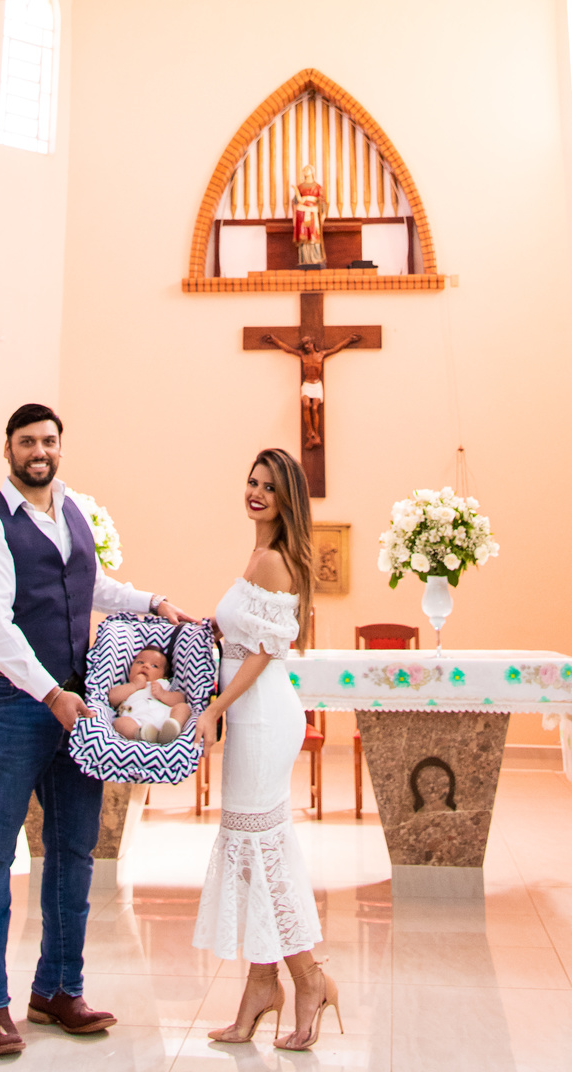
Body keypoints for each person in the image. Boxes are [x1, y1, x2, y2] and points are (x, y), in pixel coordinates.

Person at [0, 402, 195, 1057]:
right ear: (8, 448)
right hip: (9, 703)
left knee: (73, 851)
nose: (40, 450)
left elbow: (89, 587)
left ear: (61, 448)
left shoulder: (72, 512)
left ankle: (58, 989)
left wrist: (150, 602)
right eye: (28, 441)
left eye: (50, 440)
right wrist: (50, 694)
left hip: (74, 709)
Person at [191, 448, 343, 1051]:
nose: (255, 493)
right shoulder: (258, 555)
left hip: (260, 716)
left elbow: (265, 653)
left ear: (287, 501)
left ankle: (308, 979)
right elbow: (244, 635)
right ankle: (261, 985)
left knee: (261, 847)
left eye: (269, 488)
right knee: (253, 850)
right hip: (250, 712)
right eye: (252, 483)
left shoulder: (276, 562)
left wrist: (213, 711)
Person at [109, 643, 191, 742]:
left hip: (166, 720)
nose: (145, 666)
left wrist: (163, 694)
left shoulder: (163, 684)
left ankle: (173, 728)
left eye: (154, 666)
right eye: (140, 662)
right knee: (120, 723)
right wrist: (134, 685)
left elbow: (180, 699)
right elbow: (113, 698)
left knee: (183, 708)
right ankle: (140, 734)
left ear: (164, 676)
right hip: (137, 722)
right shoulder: (129, 686)